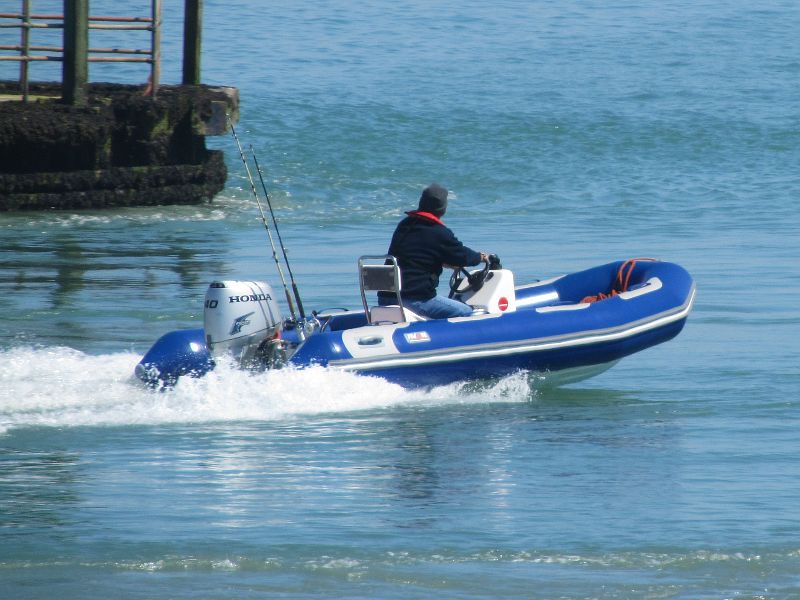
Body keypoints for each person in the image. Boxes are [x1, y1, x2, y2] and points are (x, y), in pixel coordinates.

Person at [378, 183, 488, 319]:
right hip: (415, 300)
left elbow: (416, 256)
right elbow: (462, 256)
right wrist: (480, 257)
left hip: (385, 299)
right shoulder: (439, 232)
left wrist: (443, 262)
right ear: (443, 208)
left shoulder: (405, 225)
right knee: (466, 312)